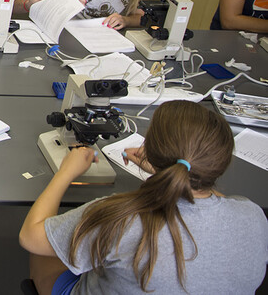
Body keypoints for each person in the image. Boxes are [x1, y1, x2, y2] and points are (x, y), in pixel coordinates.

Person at [20, 100, 268, 295]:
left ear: (152, 149)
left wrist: (66, 172)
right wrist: (165, 167)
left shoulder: (120, 217)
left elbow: (31, 237)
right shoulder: (254, 215)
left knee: (48, 246)